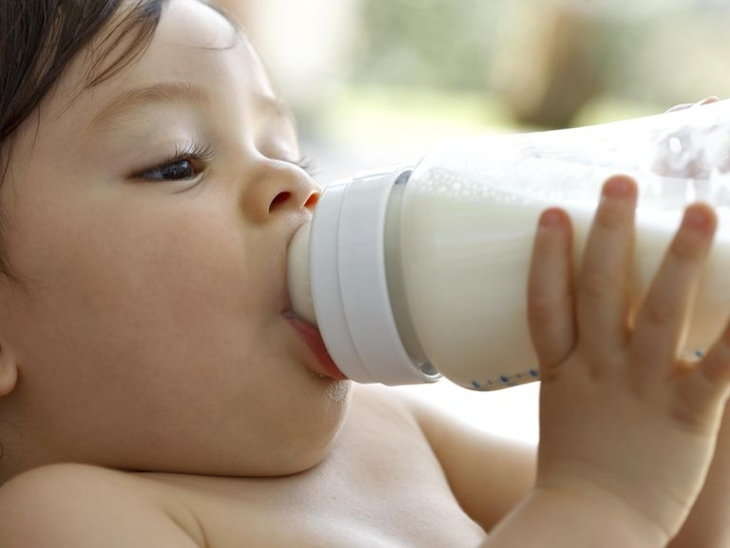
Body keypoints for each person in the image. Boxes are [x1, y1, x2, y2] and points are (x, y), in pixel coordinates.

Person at [0, 1, 728, 546]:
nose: (293, 182)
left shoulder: (386, 432)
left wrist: (698, 380)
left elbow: (676, 524)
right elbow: (617, 511)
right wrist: (596, 499)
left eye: (285, 148)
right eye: (177, 161)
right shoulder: (67, 519)